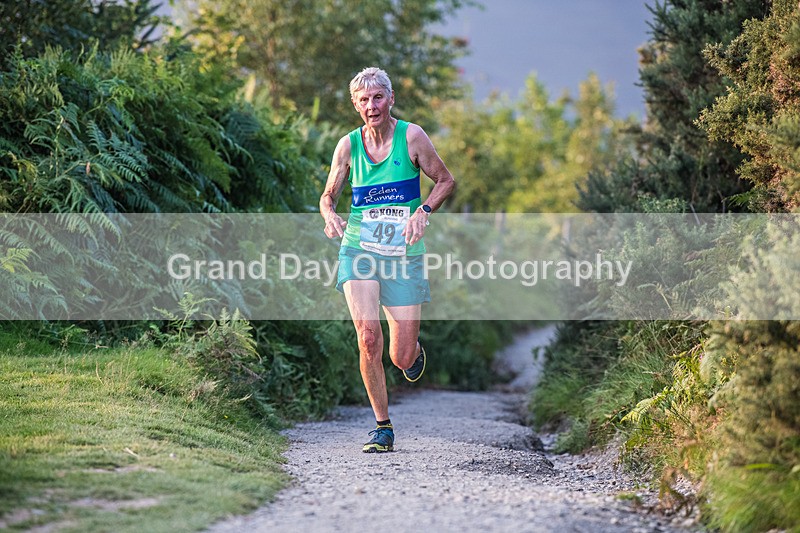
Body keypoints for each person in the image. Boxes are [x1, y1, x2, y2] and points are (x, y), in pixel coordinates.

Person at [319, 67, 456, 453]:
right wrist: (329, 214)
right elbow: (328, 195)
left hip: (403, 253)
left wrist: (423, 211)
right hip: (359, 247)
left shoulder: (411, 137)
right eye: (363, 100)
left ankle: (413, 350)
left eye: (378, 97)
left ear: (390, 99)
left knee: (400, 356)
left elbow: (445, 180)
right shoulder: (347, 146)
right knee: (367, 338)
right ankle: (383, 426)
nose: (371, 105)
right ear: (355, 105)